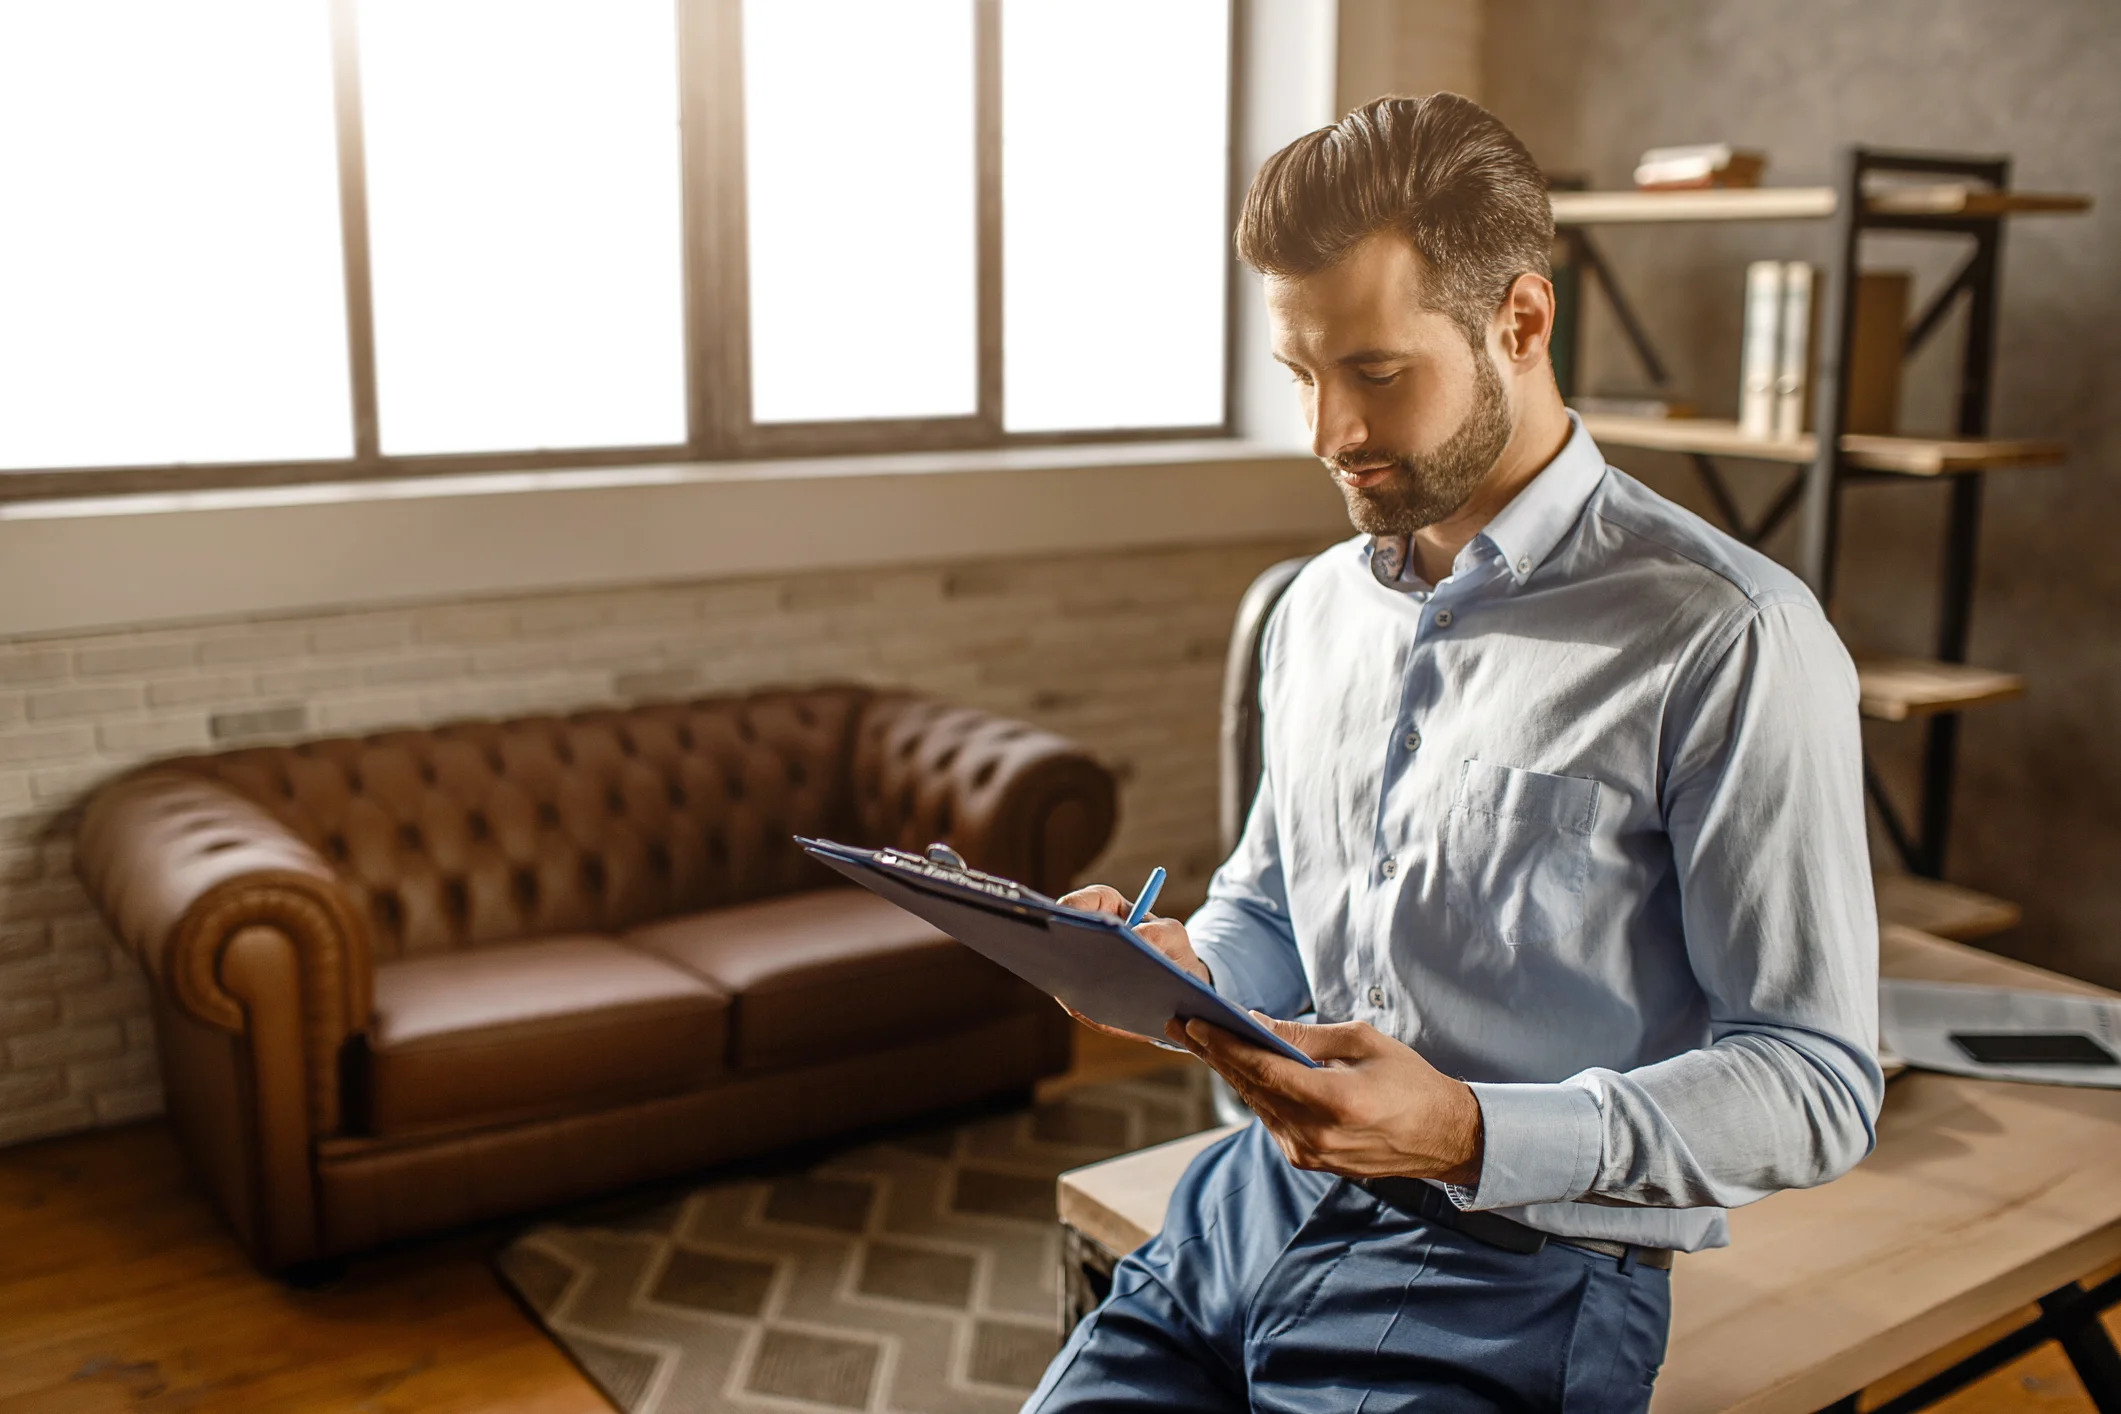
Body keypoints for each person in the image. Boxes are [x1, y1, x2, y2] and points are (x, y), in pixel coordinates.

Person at [1026, 93, 1882, 1413]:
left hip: (1516, 1274)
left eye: (1373, 372)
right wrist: (1180, 965)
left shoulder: (1731, 636)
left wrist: (1474, 1130)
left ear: (1522, 322)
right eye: (1301, 374)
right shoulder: (1311, 609)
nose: (1329, 435)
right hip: (1248, 1203)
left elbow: (1815, 1079)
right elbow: (1272, 905)